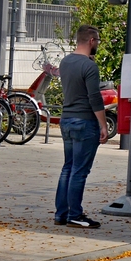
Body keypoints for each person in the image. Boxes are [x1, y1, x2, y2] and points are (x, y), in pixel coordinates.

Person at [54, 25, 108, 229]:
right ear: (91, 40)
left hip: (66, 120)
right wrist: (103, 125)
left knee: (68, 167)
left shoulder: (65, 62)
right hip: (84, 122)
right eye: (98, 41)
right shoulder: (89, 66)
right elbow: (94, 98)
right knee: (79, 170)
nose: (98, 45)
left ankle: (61, 213)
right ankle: (75, 215)